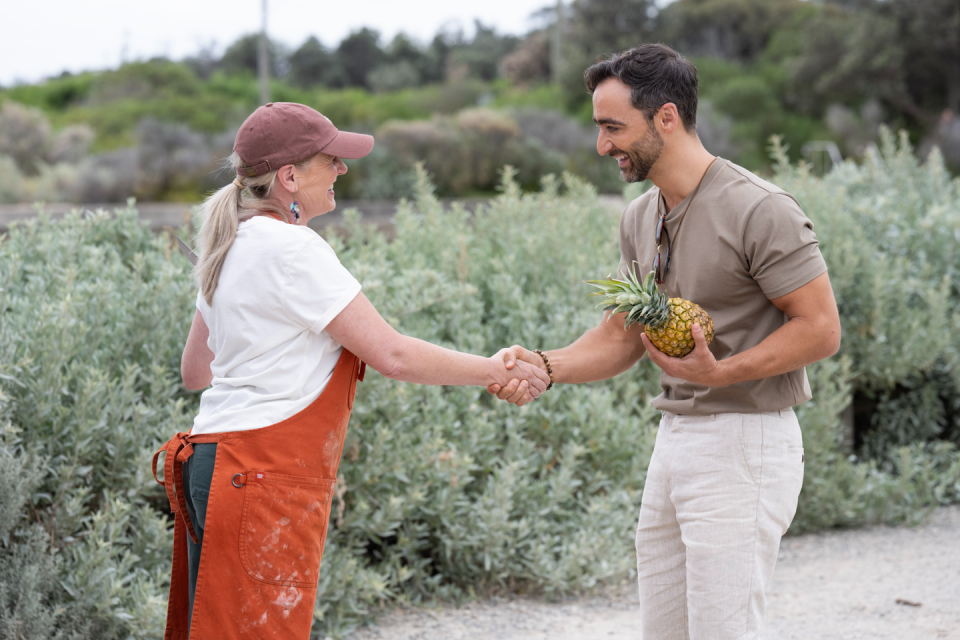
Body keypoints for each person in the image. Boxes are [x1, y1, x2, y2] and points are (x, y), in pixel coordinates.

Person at [154, 102, 549, 640]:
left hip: (213, 465)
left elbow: (196, 371)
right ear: (290, 176)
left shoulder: (228, 246)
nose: (342, 168)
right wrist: (492, 370)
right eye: (330, 159)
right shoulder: (294, 250)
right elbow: (394, 355)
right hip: (262, 476)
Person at [489, 45, 841, 639]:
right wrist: (545, 365)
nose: (602, 145)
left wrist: (721, 374)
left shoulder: (760, 208)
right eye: (600, 128)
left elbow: (821, 328)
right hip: (675, 440)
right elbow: (619, 337)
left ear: (667, 118)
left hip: (745, 441)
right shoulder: (639, 216)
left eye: (613, 127)